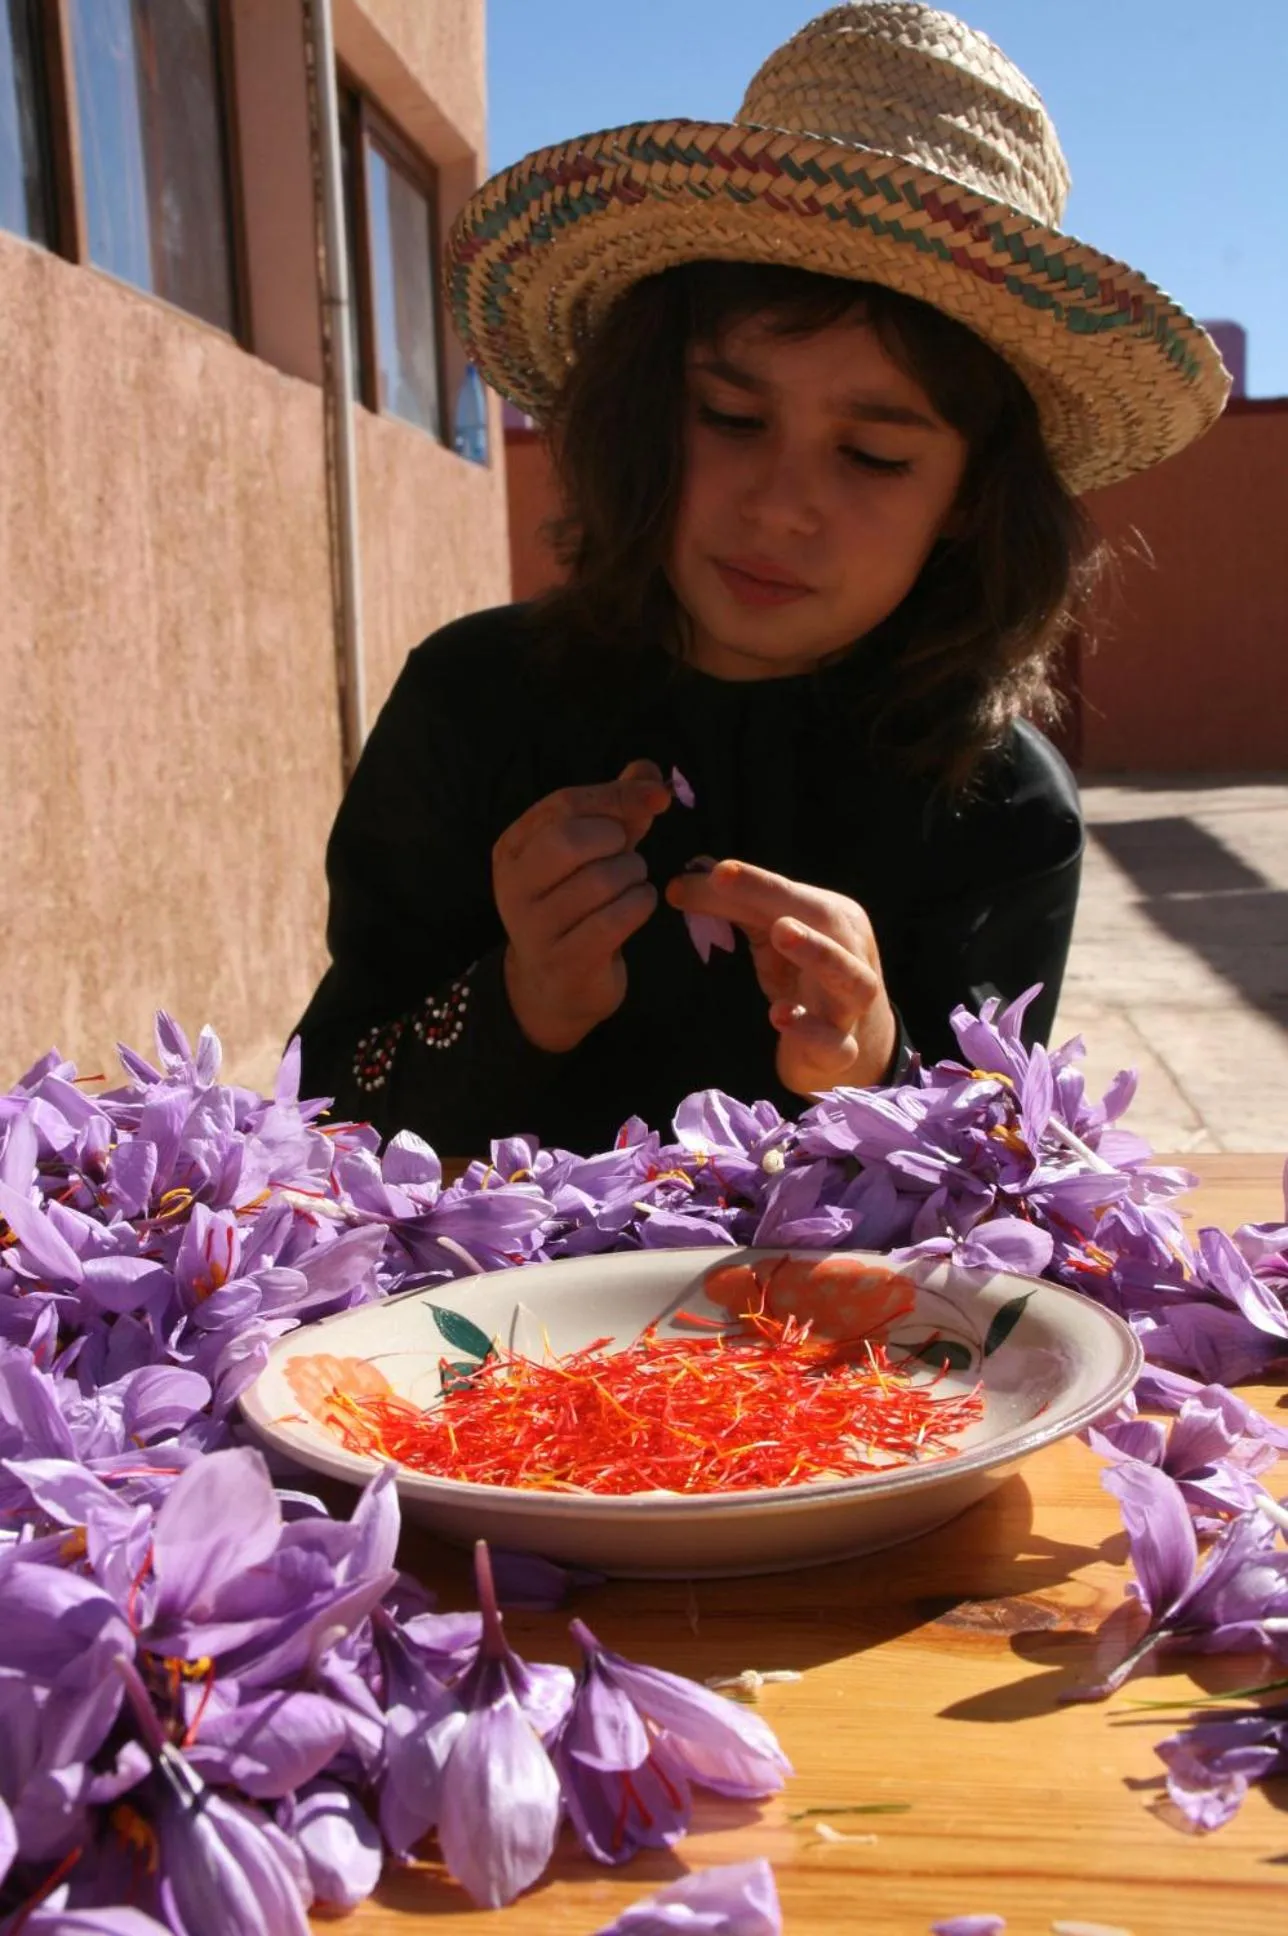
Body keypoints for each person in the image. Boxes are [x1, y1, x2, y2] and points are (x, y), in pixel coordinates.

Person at [294, 1, 1228, 1158]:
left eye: (872, 455)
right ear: (646, 411)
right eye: (730, 416)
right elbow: (318, 1105)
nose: (781, 506)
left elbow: (1005, 1171)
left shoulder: (1001, 805)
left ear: (971, 498)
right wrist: (520, 999)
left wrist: (876, 1063)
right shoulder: (471, 703)